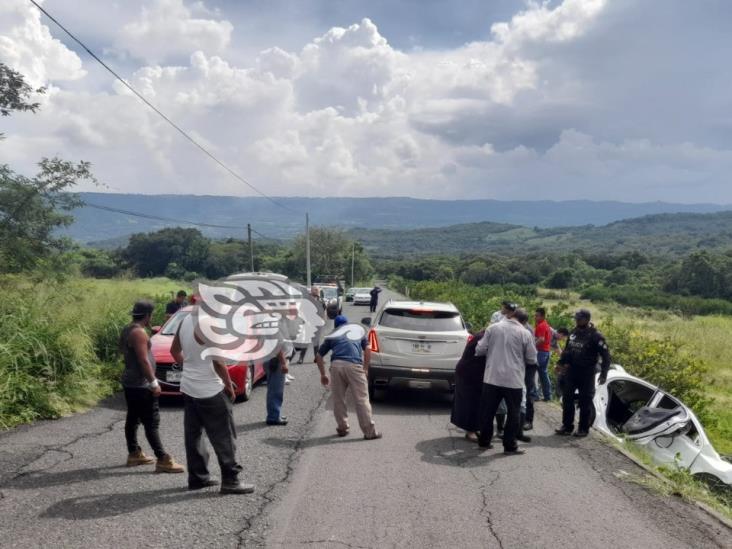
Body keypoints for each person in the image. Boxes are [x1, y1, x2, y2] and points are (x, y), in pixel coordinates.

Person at [171, 312, 254, 494]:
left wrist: (191, 368)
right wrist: (228, 386)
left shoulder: (185, 321)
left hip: (189, 387)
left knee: (193, 435)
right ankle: (231, 481)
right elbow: (218, 361)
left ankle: (198, 478)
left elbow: (174, 351)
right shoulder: (209, 324)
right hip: (209, 390)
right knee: (224, 436)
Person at [120, 300, 184, 473]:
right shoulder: (139, 333)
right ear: (148, 315)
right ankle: (163, 458)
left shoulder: (128, 329)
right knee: (151, 421)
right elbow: (143, 360)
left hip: (130, 381)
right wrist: (153, 382)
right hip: (141, 384)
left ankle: (134, 453)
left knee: (133, 417)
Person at [475, 308, 537, 455]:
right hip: (513, 380)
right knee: (513, 414)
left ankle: (484, 442)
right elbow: (531, 358)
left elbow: (480, 349)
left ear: (511, 316)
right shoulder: (525, 333)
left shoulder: (493, 328)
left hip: (492, 378)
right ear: (524, 321)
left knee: (487, 412)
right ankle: (510, 446)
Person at [316, 315, 381, 440]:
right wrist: (366, 368)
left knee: (338, 399)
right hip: (354, 365)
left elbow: (319, 356)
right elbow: (368, 349)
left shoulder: (332, 335)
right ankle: (369, 432)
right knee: (361, 399)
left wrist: (323, 374)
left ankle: (342, 428)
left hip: (336, 366)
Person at [555, 309, 611, 438]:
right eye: (576, 318)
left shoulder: (596, 336)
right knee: (567, 399)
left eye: (579, 319)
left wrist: (604, 374)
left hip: (587, 373)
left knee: (585, 401)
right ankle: (567, 426)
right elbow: (567, 351)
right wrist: (560, 364)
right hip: (571, 371)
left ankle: (583, 429)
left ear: (587, 319)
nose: (577, 320)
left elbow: (606, 357)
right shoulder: (574, 332)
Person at [451, 330, 486, 442]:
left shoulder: (484, 335)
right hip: (469, 372)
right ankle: (470, 431)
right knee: (472, 401)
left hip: (473, 372)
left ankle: (475, 428)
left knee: (478, 401)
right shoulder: (483, 338)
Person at [295, 286, 325, 364]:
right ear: (311, 291)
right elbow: (300, 311)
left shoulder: (321, 300)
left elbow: (324, 310)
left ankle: (316, 358)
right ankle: (301, 358)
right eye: (316, 290)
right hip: (308, 323)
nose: (317, 291)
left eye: (318, 290)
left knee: (316, 342)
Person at [265, 348, 289, 426]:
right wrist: (283, 363)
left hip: (270, 359)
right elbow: (277, 346)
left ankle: (274, 414)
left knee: (273, 388)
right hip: (275, 360)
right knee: (276, 390)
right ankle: (273, 417)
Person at [534, 308, 553, 402]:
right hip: (546, 352)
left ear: (542, 316)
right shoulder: (546, 325)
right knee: (543, 374)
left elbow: (541, 339)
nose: (535, 317)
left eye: (537, 315)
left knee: (534, 372)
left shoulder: (541, 325)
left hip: (541, 352)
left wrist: (532, 346)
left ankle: (535, 395)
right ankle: (547, 395)